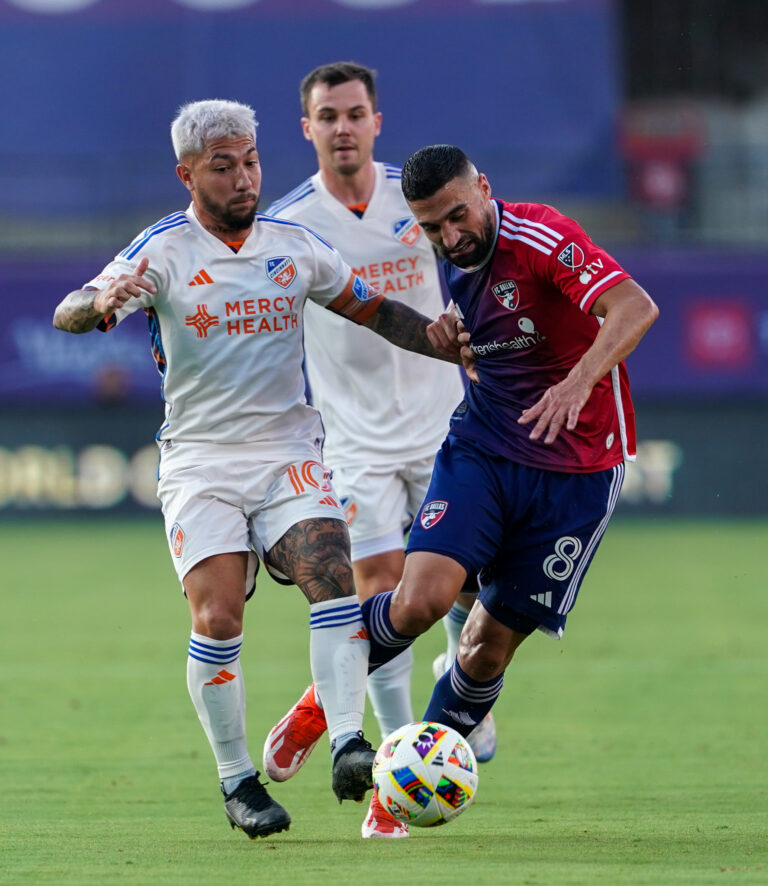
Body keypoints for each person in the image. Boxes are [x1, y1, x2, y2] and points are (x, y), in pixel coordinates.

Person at [51, 102, 463, 840]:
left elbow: (371, 310)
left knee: (333, 576)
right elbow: (71, 311)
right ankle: (238, 780)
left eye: (250, 162)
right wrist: (93, 304)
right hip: (201, 461)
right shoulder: (163, 252)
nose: (244, 178)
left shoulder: (294, 246)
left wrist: (450, 347)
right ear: (187, 174)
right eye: (223, 166)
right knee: (217, 617)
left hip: (288, 451)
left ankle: (346, 742)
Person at [265, 144, 659, 834]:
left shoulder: (541, 235)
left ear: (485, 188)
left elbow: (635, 306)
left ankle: (395, 797)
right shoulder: (444, 254)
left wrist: (578, 381)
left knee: (482, 649)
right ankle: (321, 705)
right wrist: (446, 331)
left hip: (580, 472)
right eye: (432, 226)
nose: (450, 237)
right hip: (482, 449)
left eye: (457, 217)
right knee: (420, 601)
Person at [260, 62, 495, 840]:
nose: (343, 128)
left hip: (447, 430)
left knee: (474, 593)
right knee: (388, 597)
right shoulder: (289, 223)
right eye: (327, 116)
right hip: (353, 443)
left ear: (376, 121)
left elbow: (478, 271)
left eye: (355, 114)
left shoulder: (418, 199)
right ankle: (392, 793)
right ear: (308, 129)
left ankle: (314, 705)